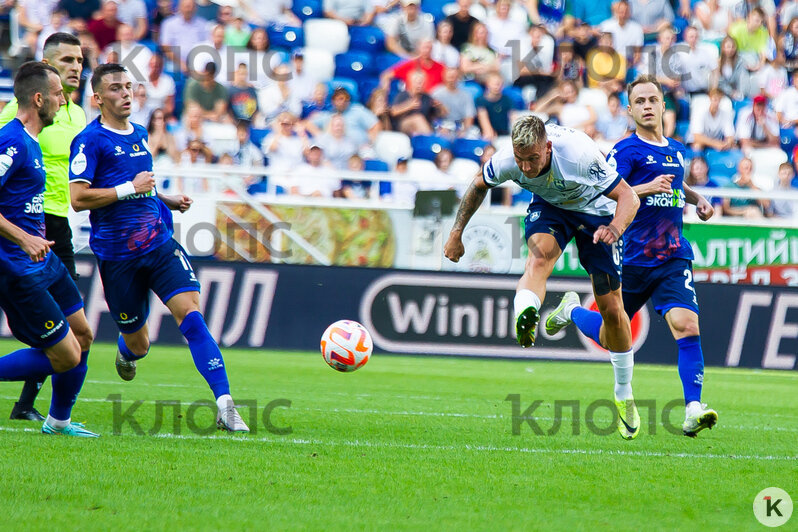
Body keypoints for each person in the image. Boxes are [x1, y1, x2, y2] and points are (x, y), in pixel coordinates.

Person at [68, 63, 249, 432]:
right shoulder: (89, 141)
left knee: (192, 317)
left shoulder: (138, 133)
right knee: (140, 344)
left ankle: (225, 404)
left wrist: (164, 199)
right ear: (98, 98)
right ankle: (126, 350)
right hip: (117, 258)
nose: (125, 93)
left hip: (159, 243)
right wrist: (130, 188)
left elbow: (141, 186)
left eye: (128, 86)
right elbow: (78, 198)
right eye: (115, 88)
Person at [443, 114, 641, 438]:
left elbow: (629, 197)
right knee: (538, 259)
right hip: (551, 207)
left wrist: (615, 229)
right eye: (520, 160)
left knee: (614, 316)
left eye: (533, 159)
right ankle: (526, 312)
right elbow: (479, 184)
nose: (526, 169)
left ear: (547, 147)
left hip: (597, 214)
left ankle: (622, 391)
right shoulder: (509, 160)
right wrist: (456, 232)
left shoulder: (578, 155)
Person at [546, 75, 719, 438]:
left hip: (672, 256)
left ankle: (692, 409)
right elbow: (604, 191)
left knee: (687, 326)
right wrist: (645, 187)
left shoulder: (675, 149)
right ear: (630, 109)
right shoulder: (624, 152)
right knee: (613, 338)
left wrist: (697, 199)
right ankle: (572, 311)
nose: (647, 106)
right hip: (633, 258)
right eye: (639, 101)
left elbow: (675, 181)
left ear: (662, 105)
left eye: (652, 100)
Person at [0, 61, 97, 437]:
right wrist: (24, 238)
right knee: (66, 355)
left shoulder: (33, 141)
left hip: (44, 260)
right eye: (58, 95)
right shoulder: (12, 141)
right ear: (39, 99)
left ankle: (58, 422)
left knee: (84, 335)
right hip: (18, 265)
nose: (63, 100)